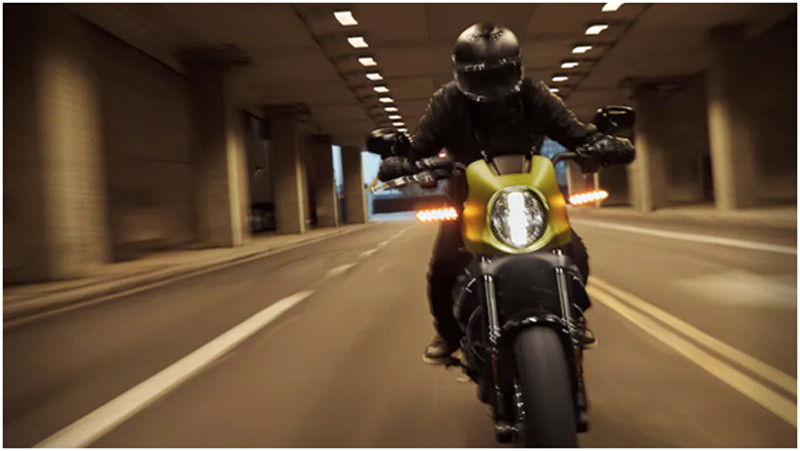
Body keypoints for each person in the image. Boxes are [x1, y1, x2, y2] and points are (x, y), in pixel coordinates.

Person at [373, 23, 635, 364]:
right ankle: (448, 334)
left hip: (531, 194)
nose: (491, 85)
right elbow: (420, 147)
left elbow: (574, 132)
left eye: (499, 74)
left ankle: (572, 313)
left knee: (574, 251)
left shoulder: (534, 94)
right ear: (461, 74)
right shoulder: (447, 101)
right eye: (480, 76)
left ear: (516, 68)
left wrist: (600, 143)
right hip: (469, 198)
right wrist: (401, 162)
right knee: (443, 266)